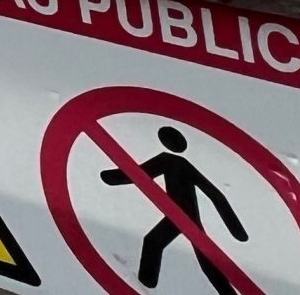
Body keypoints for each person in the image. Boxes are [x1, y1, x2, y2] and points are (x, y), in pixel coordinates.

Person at [101, 125, 246, 294]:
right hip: (177, 215)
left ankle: (145, 284)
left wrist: (237, 230)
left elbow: (214, 194)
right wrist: (236, 230)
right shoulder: (171, 161)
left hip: (185, 215)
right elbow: (139, 173)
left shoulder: (170, 161)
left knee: (189, 253)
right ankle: (145, 284)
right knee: (156, 242)